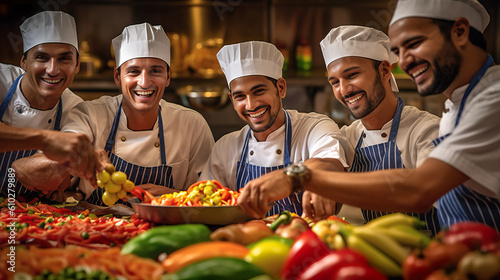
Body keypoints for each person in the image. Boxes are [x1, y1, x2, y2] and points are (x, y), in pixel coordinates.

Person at [237, 0, 500, 231]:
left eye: (415, 43)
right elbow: (328, 158)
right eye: (334, 81)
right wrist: (314, 175)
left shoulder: (491, 101)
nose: (406, 61)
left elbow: (418, 189)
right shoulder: (459, 107)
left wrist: (297, 177)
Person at [13, 22, 215, 206]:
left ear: (168, 77)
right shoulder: (89, 115)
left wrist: (174, 197)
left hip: (166, 231)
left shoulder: (192, 124)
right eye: (133, 71)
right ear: (118, 77)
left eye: (156, 71)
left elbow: (211, 199)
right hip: (96, 230)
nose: (144, 83)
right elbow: (22, 171)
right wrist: (81, 159)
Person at [200, 41, 349, 219]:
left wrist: (309, 179)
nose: (250, 105)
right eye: (240, 96)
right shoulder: (225, 147)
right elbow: (204, 205)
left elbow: (331, 164)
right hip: (247, 243)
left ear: (281, 88)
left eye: (259, 91)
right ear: (232, 99)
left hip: (303, 242)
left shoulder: (314, 128)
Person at [320, 26, 441, 234]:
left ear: (384, 71)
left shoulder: (426, 131)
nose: (344, 90)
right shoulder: (348, 136)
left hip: (428, 257)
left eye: (352, 75)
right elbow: (324, 161)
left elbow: (423, 191)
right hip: (376, 255)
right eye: (335, 82)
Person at [0, 11, 84, 200]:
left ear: (77, 65)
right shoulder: (1, 81)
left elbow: (66, 164)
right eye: (41, 57)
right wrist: (45, 140)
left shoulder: (76, 108)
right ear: (24, 61)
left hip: (32, 217)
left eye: (64, 58)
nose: (52, 70)